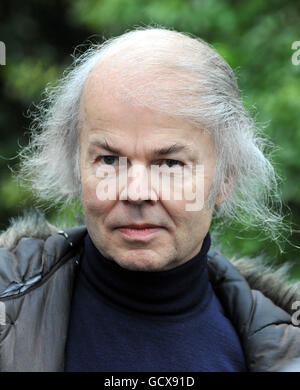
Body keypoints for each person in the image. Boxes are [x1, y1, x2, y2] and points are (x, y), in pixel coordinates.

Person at [0, 27, 299, 372]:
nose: (136, 192)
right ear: (76, 167)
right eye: (109, 160)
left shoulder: (288, 351)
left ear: (225, 178)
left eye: (170, 164)